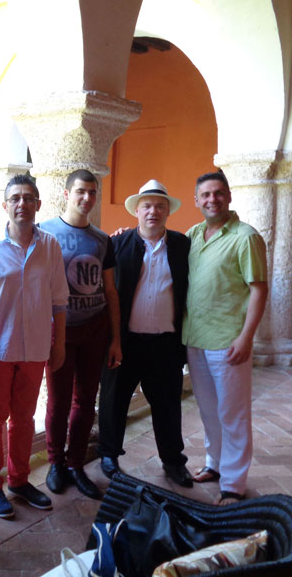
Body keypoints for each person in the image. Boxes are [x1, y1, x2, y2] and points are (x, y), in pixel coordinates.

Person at [0, 175, 69, 519]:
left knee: (24, 418)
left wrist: (58, 344)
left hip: (35, 347)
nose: (22, 204)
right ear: (5, 205)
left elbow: (59, 300)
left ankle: (19, 480)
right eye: (15, 198)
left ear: (38, 204)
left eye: (28, 198)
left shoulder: (50, 246)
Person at [97, 180, 192, 487]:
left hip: (166, 343)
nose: (153, 211)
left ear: (168, 212)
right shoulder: (117, 244)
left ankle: (173, 461)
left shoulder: (183, 246)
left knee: (168, 406)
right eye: (147, 206)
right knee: (114, 401)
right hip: (125, 342)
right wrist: (111, 339)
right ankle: (109, 455)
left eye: (160, 206)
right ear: (136, 211)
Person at [183, 171, 267, 505]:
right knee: (208, 409)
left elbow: (258, 289)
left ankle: (233, 483)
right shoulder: (193, 235)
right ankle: (214, 464)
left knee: (233, 413)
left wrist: (247, 337)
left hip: (229, 340)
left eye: (218, 193)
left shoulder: (246, 237)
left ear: (228, 196)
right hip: (196, 338)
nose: (212, 200)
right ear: (196, 200)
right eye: (205, 195)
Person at [39, 169, 122, 500]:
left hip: (94, 330)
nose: (87, 198)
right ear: (66, 194)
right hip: (58, 331)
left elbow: (111, 290)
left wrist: (115, 338)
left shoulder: (102, 240)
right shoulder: (45, 232)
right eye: (80, 191)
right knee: (58, 401)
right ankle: (55, 463)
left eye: (92, 192)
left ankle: (76, 464)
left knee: (86, 400)